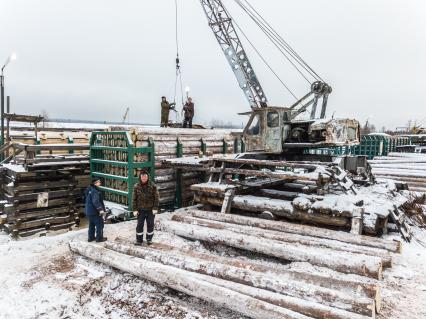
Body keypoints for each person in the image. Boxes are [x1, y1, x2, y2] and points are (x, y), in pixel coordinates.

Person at [132, 170, 160, 246]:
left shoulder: (153, 186)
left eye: (145, 177)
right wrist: (134, 209)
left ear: (148, 177)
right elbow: (134, 199)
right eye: (142, 177)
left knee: (150, 224)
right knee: (139, 225)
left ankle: (149, 239)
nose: (144, 178)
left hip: (150, 210)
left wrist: (155, 208)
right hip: (140, 210)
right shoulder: (136, 186)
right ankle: (139, 240)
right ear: (140, 178)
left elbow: (157, 197)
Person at [84, 178, 107, 243]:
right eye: (98, 182)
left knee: (91, 225)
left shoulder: (89, 189)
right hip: (95, 212)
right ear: (95, 183)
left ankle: (90, 238)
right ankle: (99, 238)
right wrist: (100, 210)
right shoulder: (95, 191)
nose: (100, 183)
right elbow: (95, 201)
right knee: (99, 224)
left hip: (89, 211)